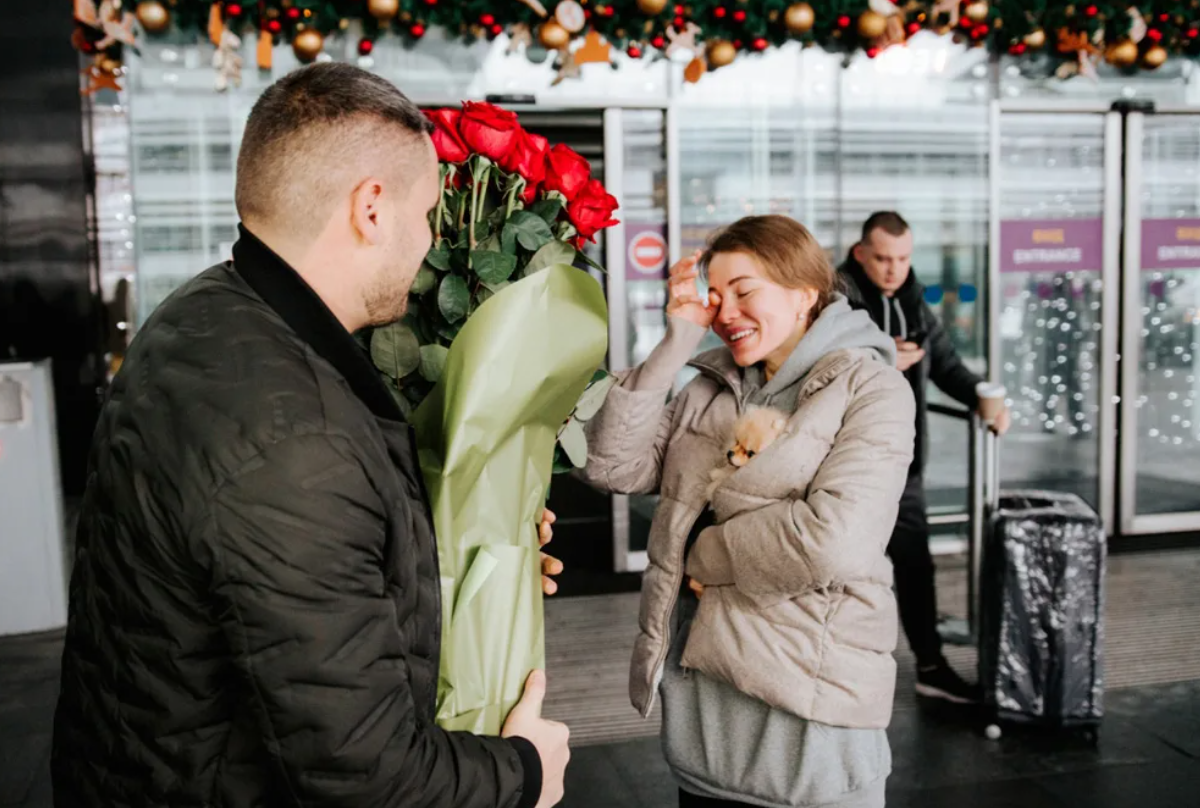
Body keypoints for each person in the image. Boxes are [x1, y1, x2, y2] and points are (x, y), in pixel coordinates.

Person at [51, 63, 569, 808]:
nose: (428, 242)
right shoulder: (295, 443)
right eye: (426, 214)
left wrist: (460, 537)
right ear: (371, 209)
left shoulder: (199, 315)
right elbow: (367, 776)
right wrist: (522, 772)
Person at [582, 215, 916, 808]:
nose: (726, 311)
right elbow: (609, 465)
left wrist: (703, 553)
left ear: (805, 292)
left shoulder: (871, 388)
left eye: (744, 290)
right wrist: (676, 344)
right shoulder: (708, 388)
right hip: (706, 718)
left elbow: (834, 541)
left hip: (809, 722)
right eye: (715, 295)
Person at [838, 211, 1010, 704]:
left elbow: (947, 365)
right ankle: (838, 673)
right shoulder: (837, 299)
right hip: (846, 462)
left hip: (901, 463)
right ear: (860, 254)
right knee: (844, 568)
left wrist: (983, 394)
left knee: (915, 566)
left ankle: (930, 666)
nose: (894, 269)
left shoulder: (914, 301)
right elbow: (814, 364)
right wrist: (878, 353)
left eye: (903, 259)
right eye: (884, 259)